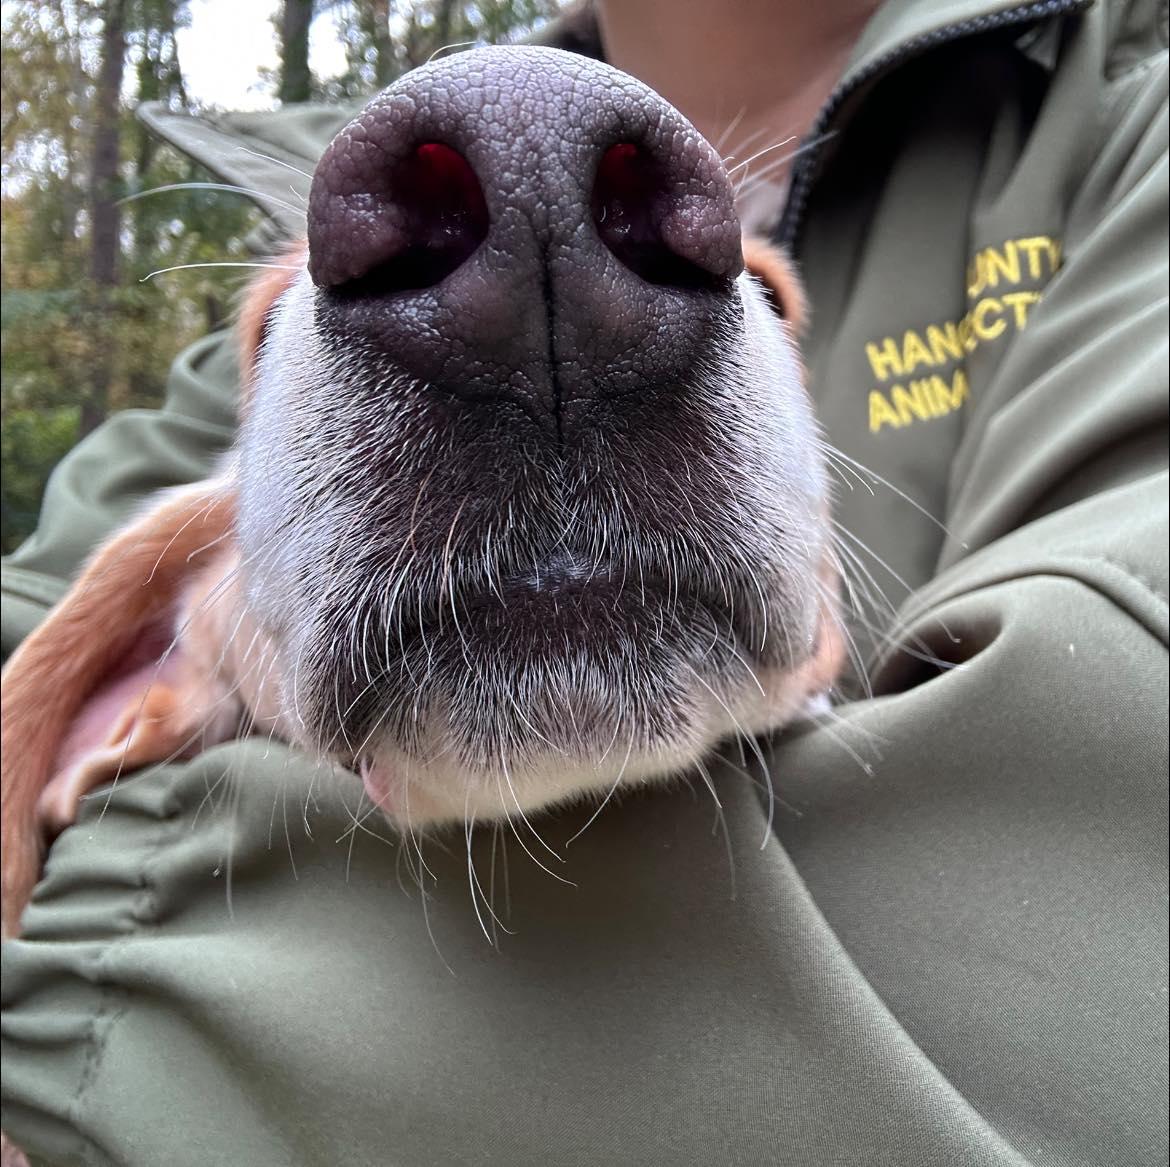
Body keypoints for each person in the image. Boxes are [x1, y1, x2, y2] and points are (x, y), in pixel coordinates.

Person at [2, 1, 1166, 1163]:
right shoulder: (324, 204)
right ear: (129, 688)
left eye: (765, 298)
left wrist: (76, 1012)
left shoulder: (1129, 111)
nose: (516, 237)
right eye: (287, 320)